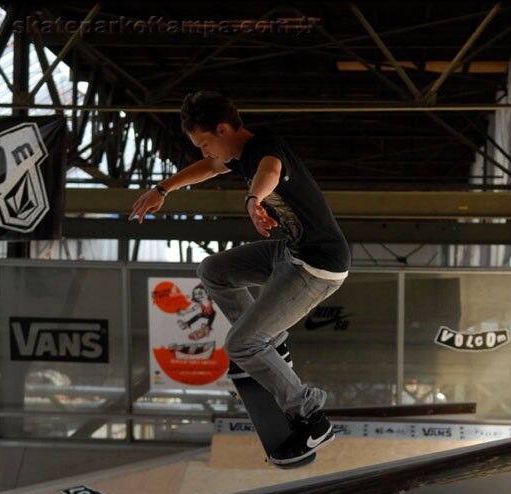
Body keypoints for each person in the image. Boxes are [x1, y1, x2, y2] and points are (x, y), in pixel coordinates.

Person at [129, 90, 351, 465]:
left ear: (222, 129)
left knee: (241, 345)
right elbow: (208, 168)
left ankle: (312, 419)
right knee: (213, 271)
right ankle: (272, 346)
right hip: (291, 252)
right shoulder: (238, 153)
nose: (204, 152)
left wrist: (253, 200)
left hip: (318, 267)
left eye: (204, 143)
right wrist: (162, 188)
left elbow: (270, 172)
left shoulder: (266, 148)